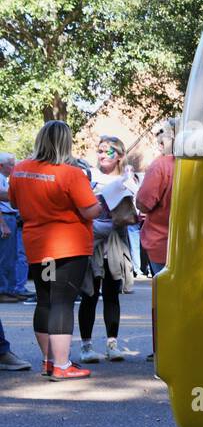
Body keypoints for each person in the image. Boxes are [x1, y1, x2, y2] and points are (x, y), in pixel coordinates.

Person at [7, 121, 100, 378]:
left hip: (38, 245)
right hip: (69, 247)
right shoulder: (71, 174)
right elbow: (89, 210)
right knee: (63, 302)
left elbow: (15, 201)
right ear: (65, 142)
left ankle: (49, 361)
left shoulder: (21, 170)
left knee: (45, 300)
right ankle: (61, 365)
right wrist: (100, 204)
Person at [77, 135, 140, 363]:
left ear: (120, 155)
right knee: (90, 294)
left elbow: (138, 207)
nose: (102, 155)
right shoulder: (89, 176)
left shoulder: (127, 177)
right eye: (100, 151)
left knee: (112, 294)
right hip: (92, 241)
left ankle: (112, 344)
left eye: (107, 151)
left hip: (115, 239)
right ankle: (86, 346)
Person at [137, 118, 177, 360]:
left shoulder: (162, 166)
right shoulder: (202, 164)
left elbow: (144, 201)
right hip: (197, 243)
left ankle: (163, 349)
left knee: (163, 300)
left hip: (162, 242)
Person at [0, 152, 32, 302]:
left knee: (12, 257)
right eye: (11, 164)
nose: (13, 167)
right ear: (1, 166)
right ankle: (4, 290)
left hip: (11, 218)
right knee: (5, 257)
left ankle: (11, 289)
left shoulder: (5, 179)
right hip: (5, 218)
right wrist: (3, 225)